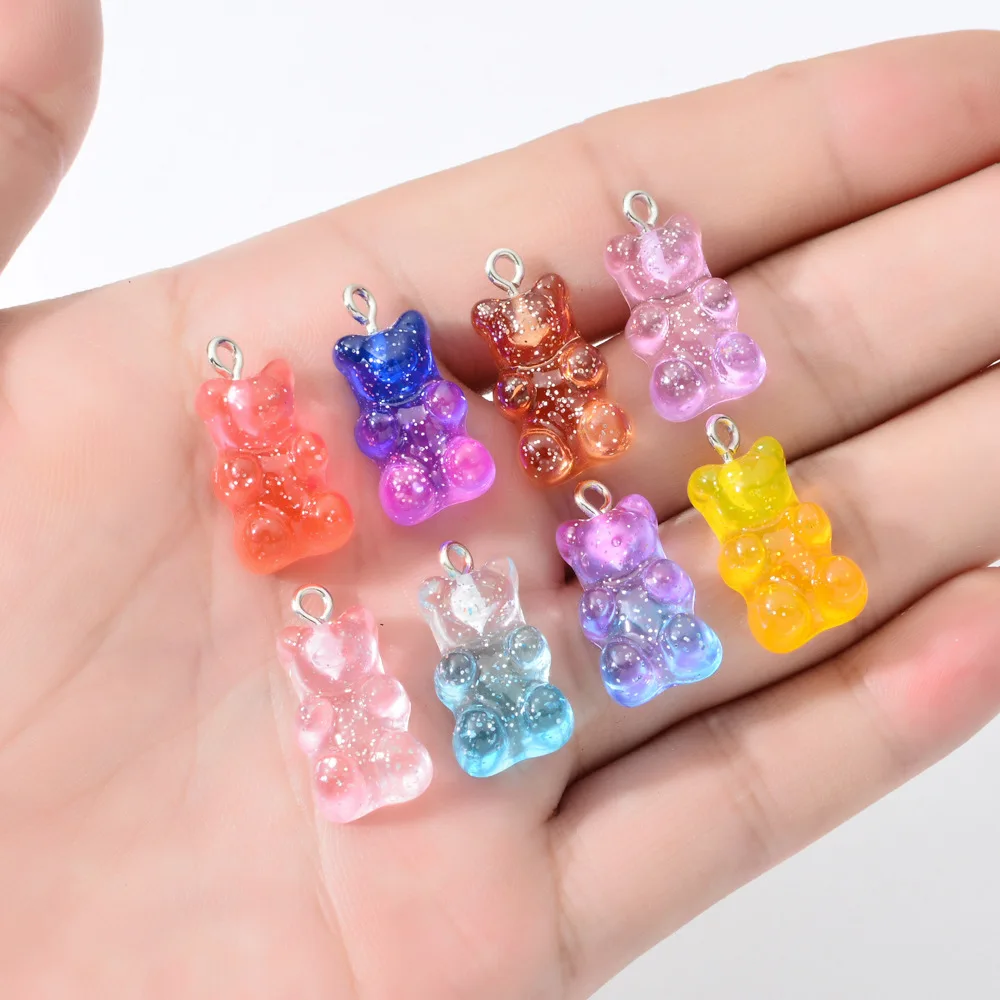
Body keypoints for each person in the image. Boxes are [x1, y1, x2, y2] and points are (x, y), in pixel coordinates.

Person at [1, 5, 999, 996]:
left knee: (649, 483)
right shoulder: (355, 559)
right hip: (386, 519)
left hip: (602, 453)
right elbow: (373, 516)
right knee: (436, 577)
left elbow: (625, 502)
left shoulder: (641, 464)